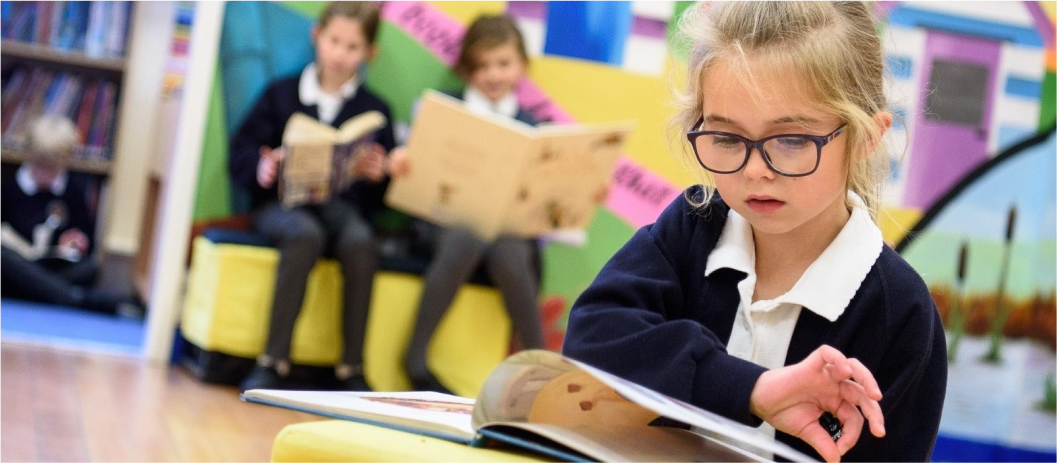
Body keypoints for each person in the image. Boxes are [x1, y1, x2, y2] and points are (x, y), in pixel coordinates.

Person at [561, 1, 947, 462]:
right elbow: (592, 341)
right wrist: (753, 390)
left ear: (866, 137)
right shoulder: (692, 227)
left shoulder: (899, 312)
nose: (756, 170)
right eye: (726, 139)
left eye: (791, 141)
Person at [229, 0, 396, 392]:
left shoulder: (376, 110)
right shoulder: (280, 94)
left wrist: (378, 176)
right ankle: (273, 361)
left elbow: (382, 199)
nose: (340, 54)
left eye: (352, 47)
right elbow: (243, 152)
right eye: (334, 41)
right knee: (304, 235)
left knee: (360, 242)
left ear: (369, 53)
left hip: (342, 210)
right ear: (317, 37)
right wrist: (263, 167)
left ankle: (351, 368)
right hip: (281, 206)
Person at [388, 15, 545, 394]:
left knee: (510, 251)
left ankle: (541, 368)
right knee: (464, 238)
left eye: (503, 63)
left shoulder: (531, 126)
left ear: (521, 65)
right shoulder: (445, 109)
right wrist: (404, 164)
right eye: (482, 66)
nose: (493, 75)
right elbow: (421, 173)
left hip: (506, 235)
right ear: (466, 69)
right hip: (444, 228)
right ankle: (416, 356)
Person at [0, 115, 139, 316]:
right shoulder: (9, 188)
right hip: (18, 266)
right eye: (40, 165)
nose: (45, 173)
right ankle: (76, 298)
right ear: (28, 156)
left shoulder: (72, 192)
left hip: (50, 268)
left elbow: (86, 237)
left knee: (88, 268)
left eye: (52, 167)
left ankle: (47, 293)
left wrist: (77, 241)